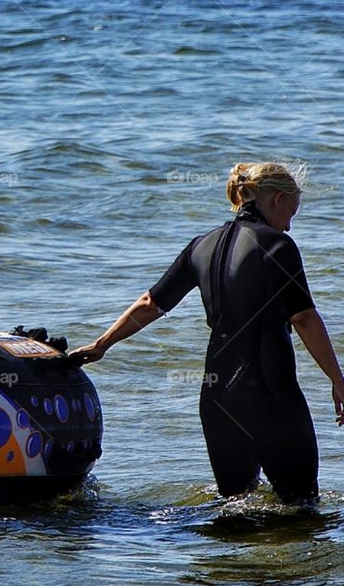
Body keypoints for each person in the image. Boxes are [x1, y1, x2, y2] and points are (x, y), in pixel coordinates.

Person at [72, 162, 344, 503]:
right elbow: (303, 317)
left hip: (217, 400)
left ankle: (225, 559)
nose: (289, 225)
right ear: (277, 199)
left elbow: (151, 303)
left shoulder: (201, 245)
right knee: (302, 507)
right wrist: (338, 380)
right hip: (271, 396)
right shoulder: (277, 245)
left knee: (234, 507)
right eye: (292, 211)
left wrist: (102, 345)